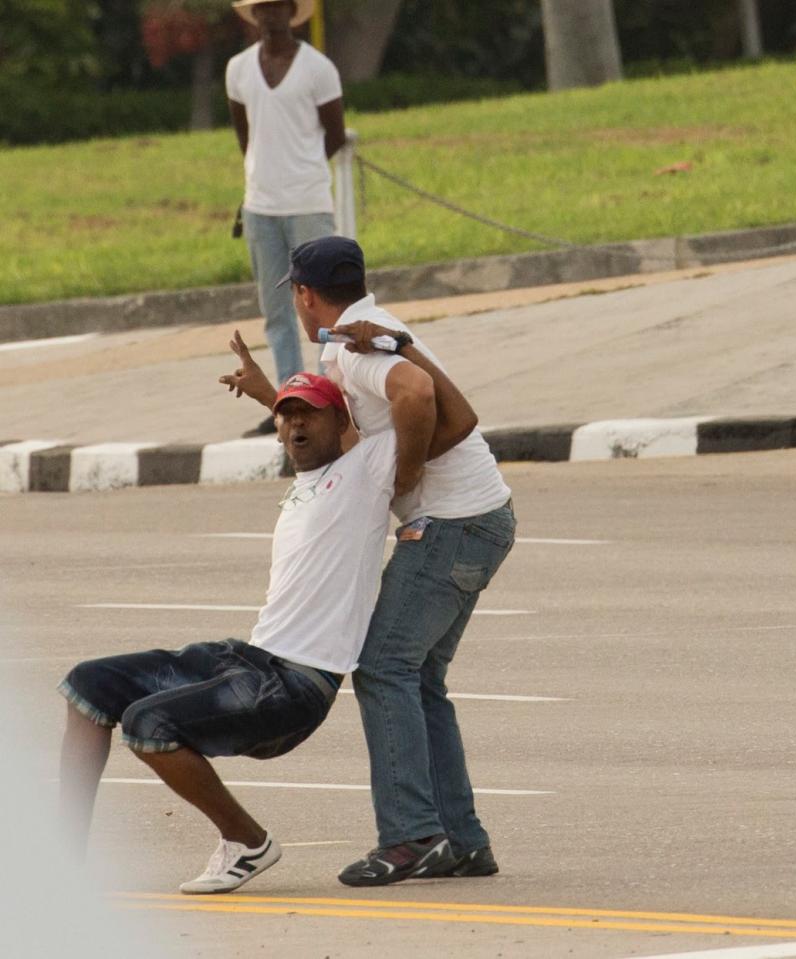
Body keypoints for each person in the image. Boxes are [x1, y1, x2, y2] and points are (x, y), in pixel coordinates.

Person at [57, 351, 479, 894]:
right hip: (249, 657)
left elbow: (456, 418)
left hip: (294, 684)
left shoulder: (367, 470)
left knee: (149, 725)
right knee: (86, 684)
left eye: (310, 414)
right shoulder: (306, 472)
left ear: (343, 423)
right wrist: (269, 393)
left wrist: (396, 346)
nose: (296, 424)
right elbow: (300, 423)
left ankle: (246, 842)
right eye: (287, 415)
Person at [225, 235, 516, 887]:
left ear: (303, 294)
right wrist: (266, 393)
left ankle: (411, 837)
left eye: (295, 295)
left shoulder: (358, 346)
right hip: (477, 520)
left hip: (452, 526)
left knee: (384, 668)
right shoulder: (357, 336)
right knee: (416, 677)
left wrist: (406, 478)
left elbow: (418, 397)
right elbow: (345, 438)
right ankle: (461, 840)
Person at [226, 0, 346, 437]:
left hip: (308, 203)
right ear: (254, 15)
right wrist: (260, 179)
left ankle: (331, 399)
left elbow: (333, 133)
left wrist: (301, 171)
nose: (270, 13)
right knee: (276, 310)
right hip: (261, 207)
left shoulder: (318, 68)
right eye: (262, 7)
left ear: (294, 11)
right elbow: (245, 133)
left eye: (278, 6)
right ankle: (288, 399)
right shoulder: (238, 69)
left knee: (322, 307)